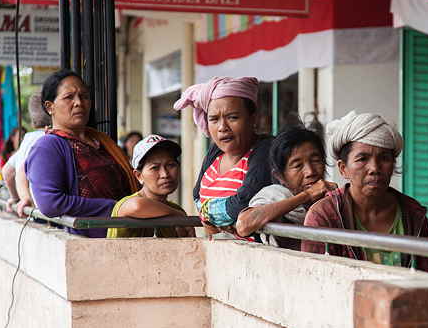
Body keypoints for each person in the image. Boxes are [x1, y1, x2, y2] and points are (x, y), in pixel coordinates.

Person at [301, 111, 428, 274]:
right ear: (343, 168)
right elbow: (316, 282)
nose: (374, 168)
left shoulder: (414, 214)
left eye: (384, 158)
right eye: (362, 159)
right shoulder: (324, 216)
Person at [25, 69, 140, 238]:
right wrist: (116, 208)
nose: (79, 102)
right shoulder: (48, 146)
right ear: (50, 107)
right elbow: (50, 203)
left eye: (84, 96)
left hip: (126, 236)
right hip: (87, 244)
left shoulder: (103, 142)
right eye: (69, 97)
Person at [174, 76, 273, 238]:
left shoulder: (265, 150)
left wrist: (207, 213)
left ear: (253, 117)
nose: (222, 127)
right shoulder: (215, 152)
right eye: (213, 119)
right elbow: (196, 196)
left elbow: (240, 206)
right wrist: (215, 213)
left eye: (232, 117)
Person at [236, 127, 335, 250]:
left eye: (316, 161)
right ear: (280, 176)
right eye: (298, 165)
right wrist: (307, 195)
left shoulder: (333, 197)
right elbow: (244, 225)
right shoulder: (275, 195)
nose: (310, 172)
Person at [108, 135, 195, 238]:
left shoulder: (175, 209)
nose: (165, 174)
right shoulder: (125, 204)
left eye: (171, 165)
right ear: (139, 176)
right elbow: (137, 206)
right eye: (155, 168)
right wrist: (178, 215)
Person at [2, 93, 51, 215]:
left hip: (32, 210)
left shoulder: (28, 139)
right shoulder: (52, 137)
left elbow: (7, 172)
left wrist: (16, 197)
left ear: (33, 122)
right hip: (52, 211)